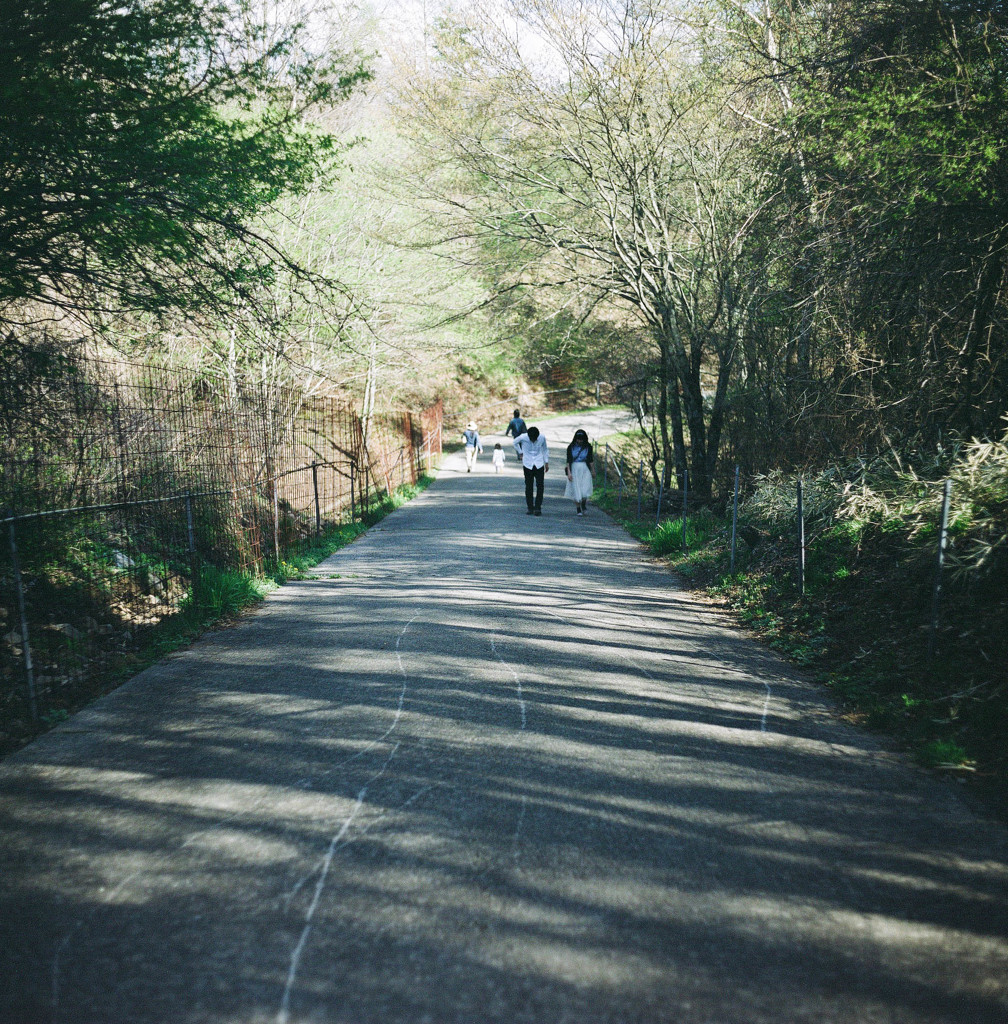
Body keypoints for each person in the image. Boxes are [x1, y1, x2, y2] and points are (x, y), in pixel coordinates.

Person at [512, 425, 549, 514]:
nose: (533, 440)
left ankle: (538, 507)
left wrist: (546, 462)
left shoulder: (542, 437)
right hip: (527, 464)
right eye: (531, 439)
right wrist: (520, 452)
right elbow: (514, 443)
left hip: (539, 463)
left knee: (540, 486)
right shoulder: (523, 437)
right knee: (529, 486)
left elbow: (545, 449)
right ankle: (530, 507)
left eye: (534, 439)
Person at [564, 428, 595, 516]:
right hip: (574, 468)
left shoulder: (588, 447)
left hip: (584, 468)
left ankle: (584, 504)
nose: (580, 441)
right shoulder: (571, 447)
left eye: (581, 439)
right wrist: (569, 473)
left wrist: (593, 471)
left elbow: (590, 460)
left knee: (585, 488)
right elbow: (568, 461)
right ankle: (578, 508)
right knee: (576, 488)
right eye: (578, 439)